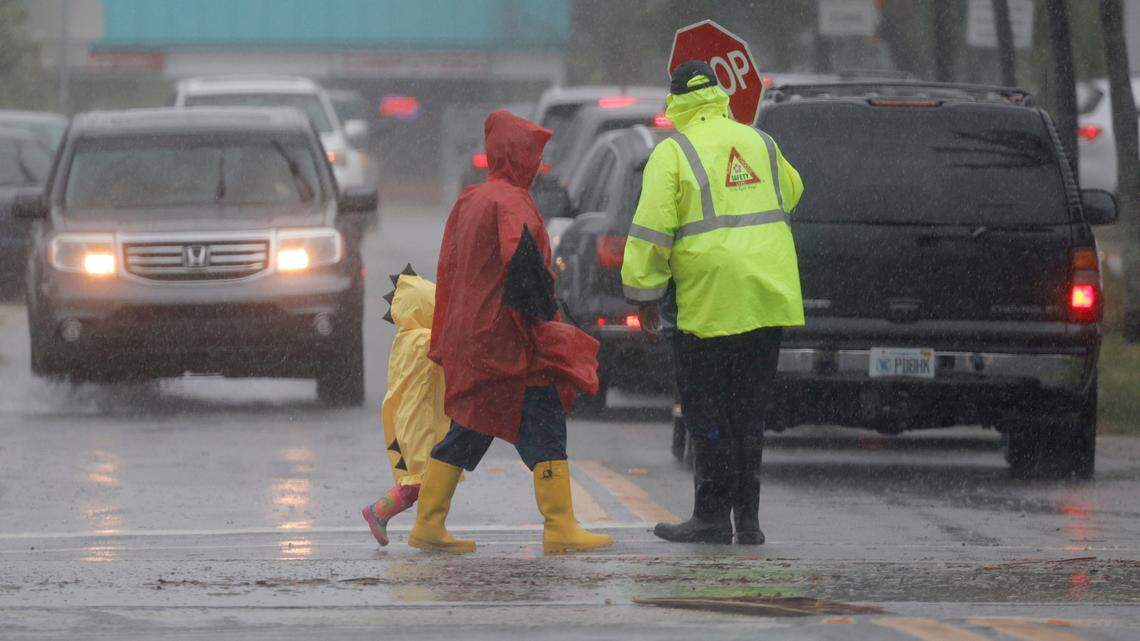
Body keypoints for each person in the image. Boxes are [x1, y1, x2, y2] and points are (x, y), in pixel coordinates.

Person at [407, 109, 612, 554]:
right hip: (506, 337)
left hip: (473, 333)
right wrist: (546, 318)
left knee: (472, 424)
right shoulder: (513, 202)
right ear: (520, 156)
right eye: (535, 155)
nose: (540, 165)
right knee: (545, 415)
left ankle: (428, 521)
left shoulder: (473, 197)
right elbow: (522, 267)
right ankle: (560, 525)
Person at [621, 60, 805, 545]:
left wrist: (644, 295)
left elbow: (651, 231)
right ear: (718, 95)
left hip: (708, 300)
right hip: (767, 293)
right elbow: (794, 190)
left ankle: (710, 516)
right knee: (749, 411)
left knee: (707, 412)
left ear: (676, 100)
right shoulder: (760, 142)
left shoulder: (673, 152)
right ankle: (748, 520)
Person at [361, 269, 450, 546]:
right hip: (420, 422)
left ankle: (419, 524)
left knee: (426, 480)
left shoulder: (408, 337)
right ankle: (380, 512)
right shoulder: (423, 339)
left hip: (415, 419)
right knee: (424, 481)